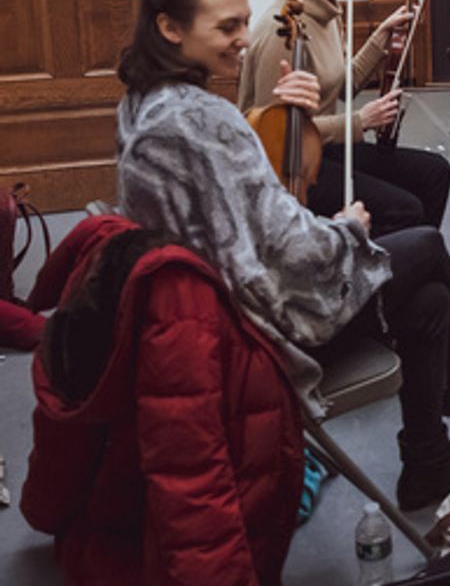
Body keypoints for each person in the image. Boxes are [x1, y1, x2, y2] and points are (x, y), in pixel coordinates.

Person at [115, 0, 450, 513]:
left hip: (219, 310)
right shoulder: (203, 124)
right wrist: (347, 227)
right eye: (227, 27)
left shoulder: (144, 109)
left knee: (430, 302)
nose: (245, 39)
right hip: (256, 328)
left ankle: (429, 459)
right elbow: (292, 251)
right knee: (421, 241)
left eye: (244, 21)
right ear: (169, 28)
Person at [23, 215, 303, 585]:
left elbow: (61, 447)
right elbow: (192, 484)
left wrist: (42, 511)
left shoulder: (106, 244)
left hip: (105, 538)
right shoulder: (179, 301)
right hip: (143, 563)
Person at [239, 0, 450, 237]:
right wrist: (360, 121)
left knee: (435, 172)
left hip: (329, 146)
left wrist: (381, 37)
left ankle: (413, 269)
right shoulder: (285, 27)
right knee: (403, 209)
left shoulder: (326, 10)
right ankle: (385, 274)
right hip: (296, 165)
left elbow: (343, 85)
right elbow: (275, 137)